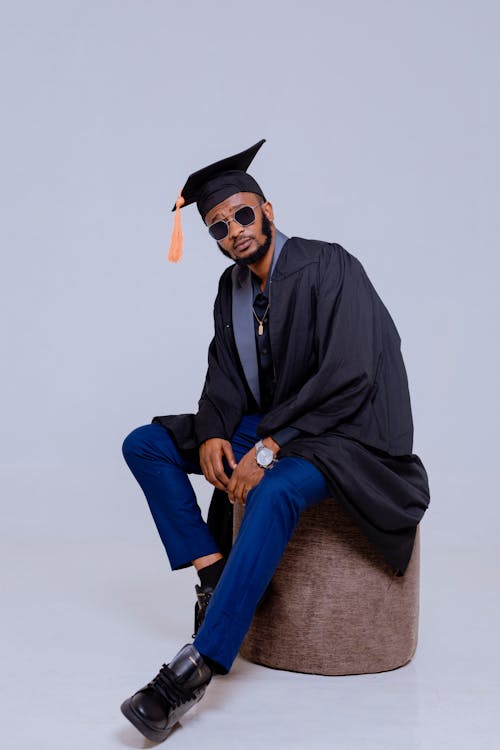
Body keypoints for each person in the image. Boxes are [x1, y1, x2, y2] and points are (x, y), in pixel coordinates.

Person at [120, 139, 430, 743]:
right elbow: (225, 376)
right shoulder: (230, 290)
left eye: (241, 214)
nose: (233, 231)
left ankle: (195, 668)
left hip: (347, 433)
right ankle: (216, 580)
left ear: (267, 210)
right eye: (218, 226)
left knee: (276, 490)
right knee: (146, 444)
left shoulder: (328, 265)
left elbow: (353, 373)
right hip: (274, 424)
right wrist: (214, 433)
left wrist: (270, 447)